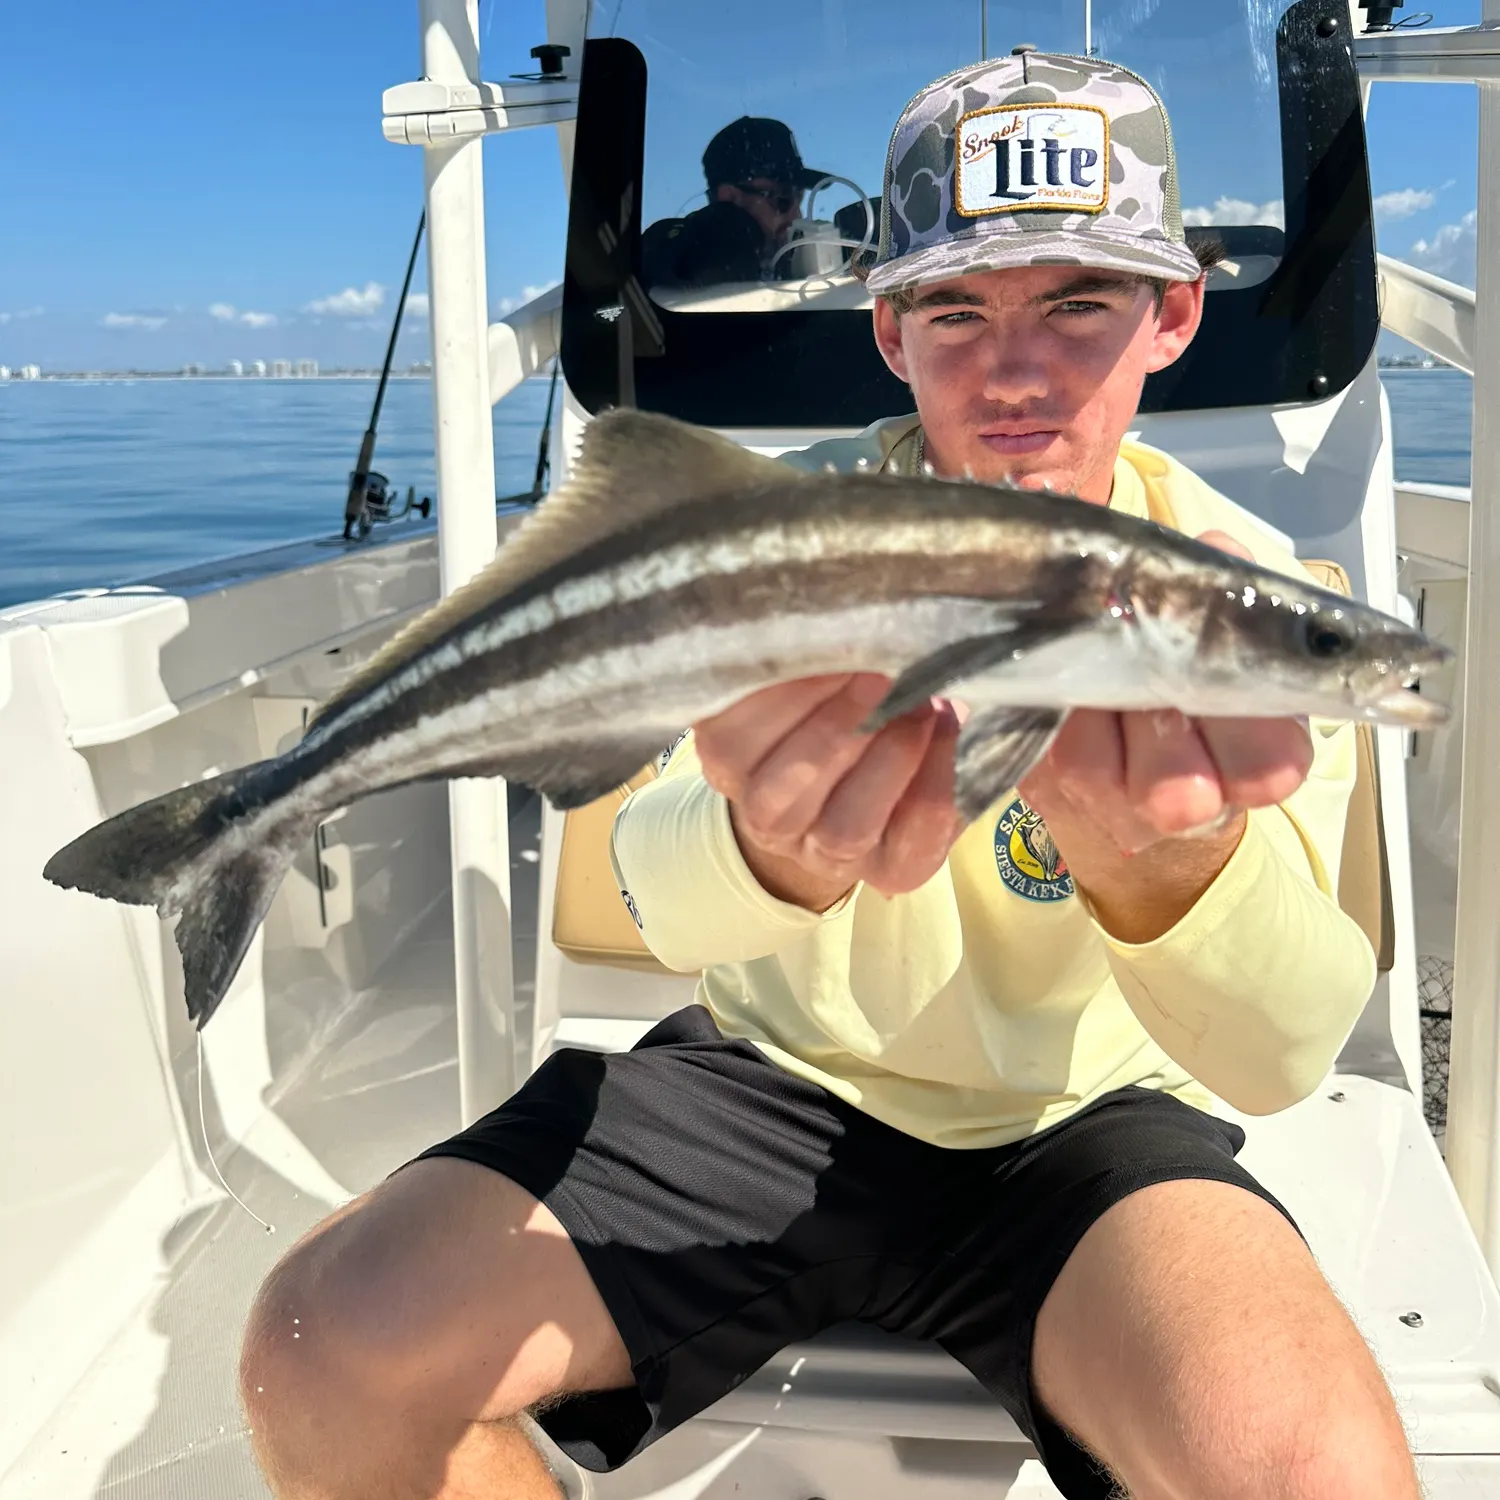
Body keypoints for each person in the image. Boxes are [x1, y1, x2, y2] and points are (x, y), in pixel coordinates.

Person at [239, 50, 1421, 1500]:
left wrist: (1173, 872)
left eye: (1080, 300)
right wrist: (771, 849)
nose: (1017, 369)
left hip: (1091, 1131)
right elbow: (660, 906)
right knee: (322, 1342)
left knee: (1320, 1477)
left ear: (1172, 314)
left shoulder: (1251, 604)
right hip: (768, 1076)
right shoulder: (779, 547)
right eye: (956, 309)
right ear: (890, 333)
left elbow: (1291, 1051)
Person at [640, 116, 828, 287]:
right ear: (730, 196)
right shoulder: (676, 248)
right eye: (783, 199)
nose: (796, 215)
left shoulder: (794, 269)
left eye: (800, 197)